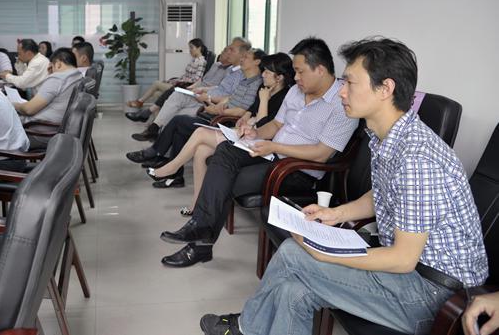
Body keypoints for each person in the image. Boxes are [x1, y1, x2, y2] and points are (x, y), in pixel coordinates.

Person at [199, 37, 488, 335]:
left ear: (385, 89)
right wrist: (335, 214)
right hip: (412, 276)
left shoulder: (417, 157)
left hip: (433, 294)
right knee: (293, 292)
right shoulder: (388, 137)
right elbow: (384, 195)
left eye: (350, 83)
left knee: (293, 254)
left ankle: (245, 327)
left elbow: (403, 259)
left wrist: (325, 253)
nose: (341, 92)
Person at [160, 37, 358, 267]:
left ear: (320, 70)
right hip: (272, 156)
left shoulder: (342, 103)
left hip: (295, 172)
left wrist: (275, 146)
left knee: (225, 178)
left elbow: (321, 154)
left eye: (300, 71)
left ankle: (200, 241)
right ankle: (200, 230)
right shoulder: (296, 91)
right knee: (225, 149)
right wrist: (255, 133)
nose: (295, 78)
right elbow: (275, 125)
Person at [149, 53, 295, 215]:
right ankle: (197, 204)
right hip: (245, 134)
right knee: (201, 151)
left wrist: (264, 101)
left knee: (201, 133)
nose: (263, 74)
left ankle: (172, 167)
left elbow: (263, 125)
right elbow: (249, 111)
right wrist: (243, 120)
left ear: (279, 78)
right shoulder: (264, 88)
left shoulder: (282, 97)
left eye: (267, 72)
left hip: (259, 144)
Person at [125, 48, 266, 185]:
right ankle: (173, 174)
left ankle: (156, 153)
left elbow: (242, 111)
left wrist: (218, 111)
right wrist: (215, 104)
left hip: (223, 122)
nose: (242, 59)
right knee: (179, 129)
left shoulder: (256, 84)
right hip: (214, 113)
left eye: (246, 57)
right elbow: (229, 98)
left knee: (178, 121)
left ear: (257, 62)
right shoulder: (244, 80)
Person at [131, 38, 250, 141]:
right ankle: (154, 129)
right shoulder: (230, 70)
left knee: (174, 109)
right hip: (203, 95)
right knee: (176, 95)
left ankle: (155, 137)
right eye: (227, 50)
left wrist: (208, 96)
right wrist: (202, 89)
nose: (227, 52)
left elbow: (230, 97)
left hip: (210, 103)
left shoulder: (241, 74)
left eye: (231, 50)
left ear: (242, 55)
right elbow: (215, 85)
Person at [125, 46, 232, 123]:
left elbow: (216, 88)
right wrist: (185, 84)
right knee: (158, 94)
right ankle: (156, 128)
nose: (220, 54)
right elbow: (201, 79)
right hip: (192, 87)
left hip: (201, 93)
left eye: (192, 47)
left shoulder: (228, 71)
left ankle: (145, 111)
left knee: (160, 85)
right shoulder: (215, 65)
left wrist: (194, 87)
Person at [127, 38, 208, 108]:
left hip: (185, 87)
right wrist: (173, 80)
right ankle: (156, 120)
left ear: (199, 48)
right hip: (180, 84)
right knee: (157, 94)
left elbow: (196, 80)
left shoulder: (202, 62)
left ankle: (140, 102)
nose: (190, 50)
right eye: (189, 48)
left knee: (156, 83)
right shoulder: (194, 60)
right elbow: (185, 76)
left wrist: (179, 81)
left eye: (192, 48)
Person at [14, 47, 83, 127]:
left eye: (52, 67)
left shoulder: (57, 79)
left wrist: (15, 105)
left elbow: (28, 109)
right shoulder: (78, 76)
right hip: (62, 126)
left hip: (38, 128)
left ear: (58, 64)